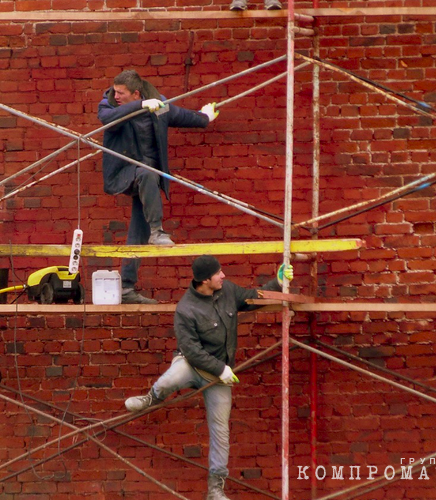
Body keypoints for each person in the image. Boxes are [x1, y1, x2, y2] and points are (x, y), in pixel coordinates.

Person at [124, 255, 293, 500]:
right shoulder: (186, 308)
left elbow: (252, 298)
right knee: (170, 379)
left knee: (220, 430)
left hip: (219, 375)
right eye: (218, 273)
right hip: (192, 364)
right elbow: (191, 350)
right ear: (205, 280)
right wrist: (221, 369)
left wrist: (276, 283)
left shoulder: (228, 291)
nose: (223, 275)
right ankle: (152, 397)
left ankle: (215, 488)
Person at [97, 69, 219, 304]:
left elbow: (180, 115)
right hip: (126, 174)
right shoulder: (109, 106)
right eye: (115, 91)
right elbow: (107, 120)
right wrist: (142, 105)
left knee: (137, 231)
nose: (116, 95)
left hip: (148, 180)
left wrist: (204, 118)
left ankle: (126, 287)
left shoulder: (159, 106)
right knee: (146, 174)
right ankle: (158, 232)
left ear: (136, 92)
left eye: (121, 92)